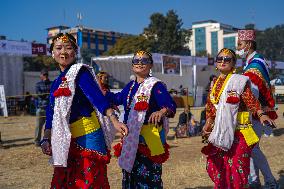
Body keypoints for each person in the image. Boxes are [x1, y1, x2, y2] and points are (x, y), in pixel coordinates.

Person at [40, 33, 128, 189]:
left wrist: (114, 120)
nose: (63, 52)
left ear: (75, 52)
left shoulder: (80, 72)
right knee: (67, 182)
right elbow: (51, 114)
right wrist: (46, 138)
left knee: (89, 182)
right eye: (58, 48)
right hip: (67, 139)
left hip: (89, 136)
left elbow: (97, 98)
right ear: (53, 53)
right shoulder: (56, 83)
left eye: (68, 48)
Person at [202, 48, 275, 189]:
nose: (223, 61)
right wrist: (208, 124)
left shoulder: (239, 81)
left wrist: (261, 114)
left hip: (240, 134)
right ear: (216, 63)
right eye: (220, 59)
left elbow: (251, 101)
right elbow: (211, 108)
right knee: (217, 166)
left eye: (227, 59)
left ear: (233, 63)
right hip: (221, 133)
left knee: (237, 170)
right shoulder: (214, 84)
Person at [106, 50, 176, 188]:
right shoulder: (130, 86)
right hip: (131, 139)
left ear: (151, 65)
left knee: (149, 179)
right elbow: (117, 98)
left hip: (149, 140)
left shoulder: (156, 85)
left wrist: (161, 111)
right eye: (136, 61)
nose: (140, 63)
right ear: (132, 66)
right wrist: (102, 92)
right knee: (130, 178)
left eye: (144, 61)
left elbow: (170, 105)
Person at [236, 29, 279, 189]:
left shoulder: (255, 65)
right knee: (251, 148)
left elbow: (253, 92)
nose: (238, 47)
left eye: (239, 44)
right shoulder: (252, 63)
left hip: (258, 113)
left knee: (252, 147)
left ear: (248, 44)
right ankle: (255, 181)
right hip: (253, 112)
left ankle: (270, 181)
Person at [34, 69, 52, 146]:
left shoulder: (52, 83)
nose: (45, 76)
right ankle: (37, 141)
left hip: (50, 108)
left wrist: (46, 94)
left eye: (46, 75)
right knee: (38, 126)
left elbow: (53, 95)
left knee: (51, 127)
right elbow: (39, 95)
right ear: (41, 76)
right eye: (44, 75)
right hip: (41, 108)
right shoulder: (38, 84)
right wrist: (48, 94)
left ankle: (49, 141)